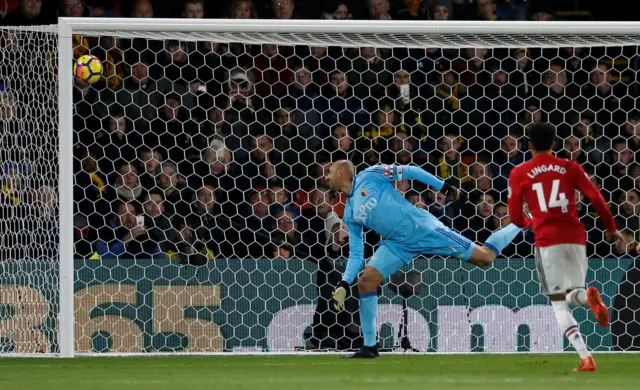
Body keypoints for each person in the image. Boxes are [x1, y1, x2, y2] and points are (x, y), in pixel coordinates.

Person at [326, 160, 528, 358]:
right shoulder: (350, 210)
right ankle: (369, 346)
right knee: (366, 282)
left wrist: (443, 186)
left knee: (485, 257)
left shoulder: (370, 175)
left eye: (330, 171)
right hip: (398, 243)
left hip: (423, 229)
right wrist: (344, 283)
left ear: (342, 170)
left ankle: (521, 220)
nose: (326, 176)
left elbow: (410, 171)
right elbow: (356, 253)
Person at [507, 122, 626, 372]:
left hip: (547, 240)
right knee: (574, 293)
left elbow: (516, 217)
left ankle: (586, 358)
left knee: (558, 302)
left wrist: (530, 222)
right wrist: (611, 228)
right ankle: (588, 298)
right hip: (575, 237)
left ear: (528, 145)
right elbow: (596, 197)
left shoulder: (519, 172)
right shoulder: (569, 167)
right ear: (554, 144)